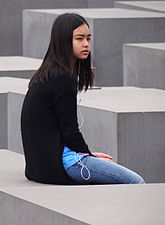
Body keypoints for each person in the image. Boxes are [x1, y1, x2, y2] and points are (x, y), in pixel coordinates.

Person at [21, 13, 145, 185]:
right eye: (79, 39)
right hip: (61, 165)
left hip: (40, 167)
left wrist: (87, 154)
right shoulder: (63, 79)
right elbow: (70, 131)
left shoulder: (48, 74)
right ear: (63, 41)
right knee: (136, 181)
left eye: (88, 38)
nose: (86, 44)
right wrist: (89, 155)